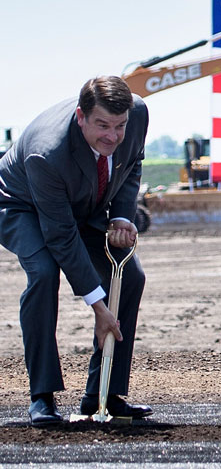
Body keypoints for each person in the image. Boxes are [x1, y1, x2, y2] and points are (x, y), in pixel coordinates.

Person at [0, 76, 150, 427]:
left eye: (119, 126)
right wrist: (98, 307)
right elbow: (62, 236)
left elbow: (133, 163)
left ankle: (104, 394)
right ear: (81, 116)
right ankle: (42, 396)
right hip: (23, 206)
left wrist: (122, 215)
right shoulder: (46, 153)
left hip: (86, 203)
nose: (112, 136)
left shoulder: (138, 113)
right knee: (44, 272)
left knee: (131, 276)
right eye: (102, 126)